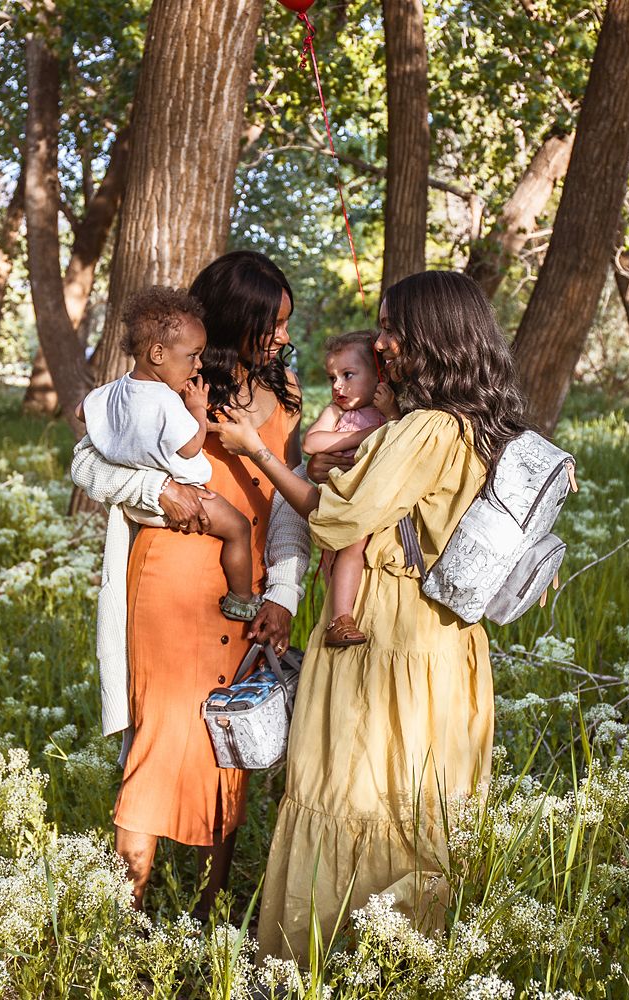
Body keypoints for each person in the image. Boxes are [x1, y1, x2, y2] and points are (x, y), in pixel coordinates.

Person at [211, 270, 531, 960]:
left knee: (354, 786)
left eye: (392, 327)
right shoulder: (477, 423)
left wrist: (262, 454)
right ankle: (402, 957)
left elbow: (334, 516)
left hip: (383, 632)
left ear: (430, 337)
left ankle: (327, 959)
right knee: (414, 798)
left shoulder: (423, 430)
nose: (382, 342)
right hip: (442, 638)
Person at [70, 251, 311, 918]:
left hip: (248, 591)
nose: (284, 338)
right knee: (161, 737)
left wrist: (283, 597)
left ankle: (208, 912)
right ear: (239, 320)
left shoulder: (286, 393)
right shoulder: (172, 384)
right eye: (274, 324)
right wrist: (158, 488)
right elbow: (85, 464)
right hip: (172, 581)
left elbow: (292, 508)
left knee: (232, 741)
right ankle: (129, 916)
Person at [77, 287, 260, 621]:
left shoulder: (113, 389)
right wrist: (197, 410)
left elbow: (80, 411)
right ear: (158, 354)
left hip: (138, 507)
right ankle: (243, 599)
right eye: (193, 355)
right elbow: (190, 446)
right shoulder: (165, 400)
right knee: (238, 528)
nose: (199, 364)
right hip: (189, 498)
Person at [302, 330, 400, 646]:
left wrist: (387, 417)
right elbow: (312, 442)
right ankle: (339, 619)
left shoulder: (387, 410)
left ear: (379, 374)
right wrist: (363, 435)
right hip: (342, 499)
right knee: (345, 550)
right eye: (332, 377)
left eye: (348, 375)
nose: (337, 386)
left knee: (354, 552)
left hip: (371, 499)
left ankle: (344, 615)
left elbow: (396, 435)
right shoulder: (338, 412)